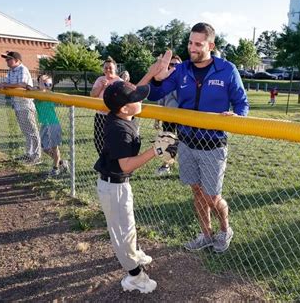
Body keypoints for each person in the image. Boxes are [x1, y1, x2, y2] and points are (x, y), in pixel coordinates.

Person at [140, 22, 250, 253]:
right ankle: (206, 234)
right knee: (197, 191)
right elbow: (157, 93)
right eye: (190, 42)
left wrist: (236, 115)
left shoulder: (227, 69)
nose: (192, 48)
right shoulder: (182, 70)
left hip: (213, 143)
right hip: (187, 142)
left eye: (198, 44)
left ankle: (224, 229)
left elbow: (242, 103)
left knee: (212, 196)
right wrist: (158, 77)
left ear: (210, 45)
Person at [93, 81, 177, 293]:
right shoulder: (119, 129)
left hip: (118, 185)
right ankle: (134, 276)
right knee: (122, 233)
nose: (141, 100)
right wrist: (155, 151)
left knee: (128, 226)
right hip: (114, 187)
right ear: (124, 108)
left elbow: (135, 92)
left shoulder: (124, 116)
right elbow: (126, 164)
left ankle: (134, 254)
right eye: (136, 99)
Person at [0, 51, 41, 165]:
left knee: (32, 131)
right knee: (26, 132)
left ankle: (36, 156)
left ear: (17, 60)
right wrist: (2, 84)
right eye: (6, 59)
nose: (7, 61)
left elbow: (22, 84)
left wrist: (4, 85)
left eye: (9, 59)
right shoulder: (11, 71)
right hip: (17, 105)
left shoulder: (22, 69)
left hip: (25, 105)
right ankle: (29, 154)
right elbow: (9, 84)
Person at [26, 75, 69, 177]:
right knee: (45, 148)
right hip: (45, 124)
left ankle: (55, 169)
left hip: (53, 124)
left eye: (50, 84)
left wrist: (37, 88)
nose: (48, 86)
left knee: (54, 148)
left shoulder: (49, 94)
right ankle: (61, 162)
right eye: (45, 84)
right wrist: (35, 87)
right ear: (39, 84)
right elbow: (31, 90)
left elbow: (43, 92)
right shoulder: (37, 93)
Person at [155, 55, 182, 176]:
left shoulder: (186, 81)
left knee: (186, 144)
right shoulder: (164, 82)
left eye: (177, 65)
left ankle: (186, 168)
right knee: (167, 142)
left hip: (184, 118)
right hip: (168, 118)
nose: (174, 67)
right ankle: (166, 165)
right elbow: (160, 102)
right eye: (171, 64)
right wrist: (157, 119)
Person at [90, 57, 123, 155]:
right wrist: (102, 87)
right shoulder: (100, 79)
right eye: (105, 67)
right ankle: (103, 160)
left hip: (114, 116)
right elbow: (92, 94)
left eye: (110, 67)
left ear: (115, 69)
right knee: (99, 140)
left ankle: (112, 162)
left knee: (112, 140)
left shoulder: (119, 81)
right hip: (100, 115)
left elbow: (121, 99)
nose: (108, 70)